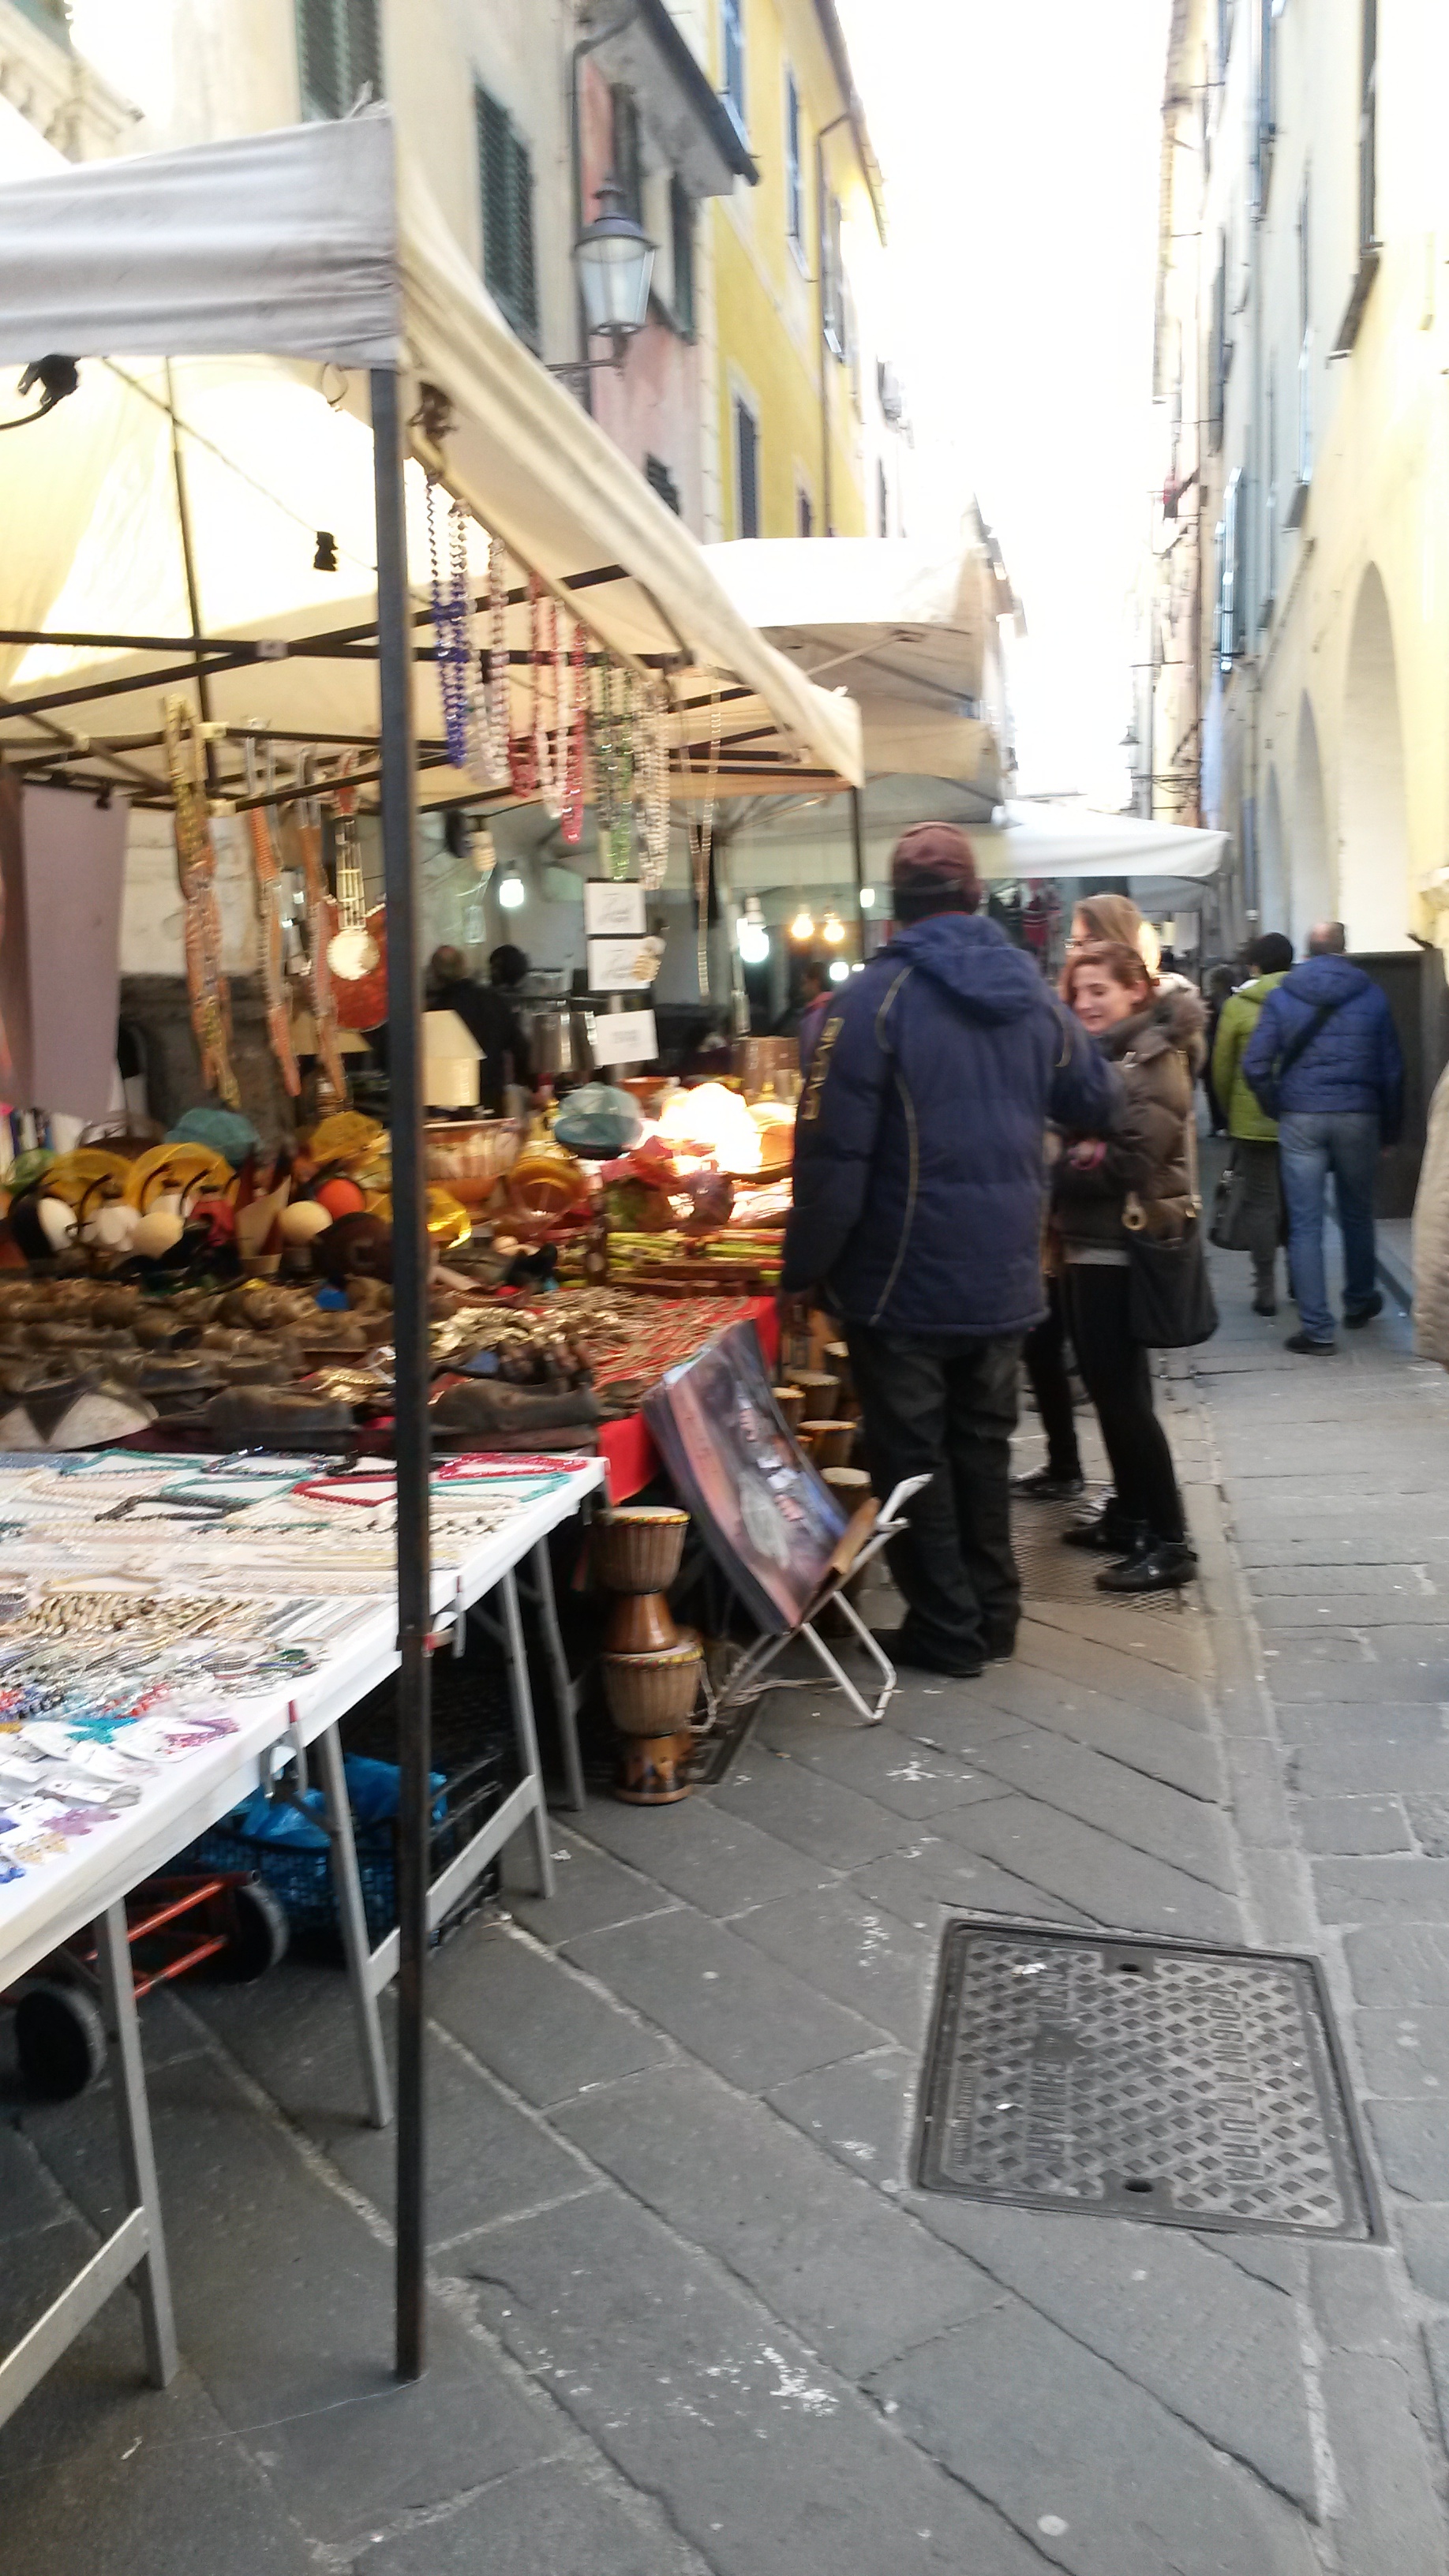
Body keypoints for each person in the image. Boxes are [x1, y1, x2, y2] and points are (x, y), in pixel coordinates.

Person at [781, 822, 1120, 1677]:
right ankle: (992, 1617)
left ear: (895, 909)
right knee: (984, 1445)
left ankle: (946, 1627)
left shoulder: (867, 1003)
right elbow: (1095, 1098)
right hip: (1004, 1269)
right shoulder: (1036, 995)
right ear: (974, 899)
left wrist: (804, 1269)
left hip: (900, 1280)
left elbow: (833, 1160)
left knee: (912, 1456)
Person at [1051, 940, 1203, 1593]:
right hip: (1088, 1245)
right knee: (1111, 1396)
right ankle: (1130, 1513)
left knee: (1125, 1400)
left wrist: (1062, 1157)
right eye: (1078, 992)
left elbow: (1126, 1163)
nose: (1085, 1003)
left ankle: (1171, 1540)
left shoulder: (1154, 1061)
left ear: (1136, 992)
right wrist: (1076, 1147)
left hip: (1122, 1248)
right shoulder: (1110, 1057)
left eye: (1100, 992)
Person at [1241, 919, 1404, 1354]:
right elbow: (1392, 1070)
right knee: (1357, 1212)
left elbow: (1255, 1065)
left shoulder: (1282, 996)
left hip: (1301, 1115)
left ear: (1306, 953)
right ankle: (1358, 1300)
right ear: (1345, 949)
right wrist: (1390, 1129)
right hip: (1359, 1116)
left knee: (1306, 1223)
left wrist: (1279, 1105)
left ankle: (1317, 1328)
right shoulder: (1371, 995)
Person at [1211, 932, 1294, 1313]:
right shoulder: (1304, 998)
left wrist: (1230, 1112)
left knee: (1261, 1204)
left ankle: (1264, 1287)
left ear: (1254, 966)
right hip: (1300, 1116)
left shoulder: (1238, 1005)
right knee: (1299, 1202)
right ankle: (1301, 1279)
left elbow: (1222, 1068)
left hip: (1252, 1121)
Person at [426, 945, 532, 1109]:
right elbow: (521, 1048)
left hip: (450, 1103)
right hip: (492, 1097)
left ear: (434, 974)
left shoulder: (435, 1010)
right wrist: (526, 1085)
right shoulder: (493, 1000)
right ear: (464, 967)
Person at [1201, 963, 1237, 1135]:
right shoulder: (1236, 1000)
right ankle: (1229, 1122)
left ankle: (1217, 1124)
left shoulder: (1207, 1002)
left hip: (1210, 1050)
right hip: (1230, 1050)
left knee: (1211, 1089)